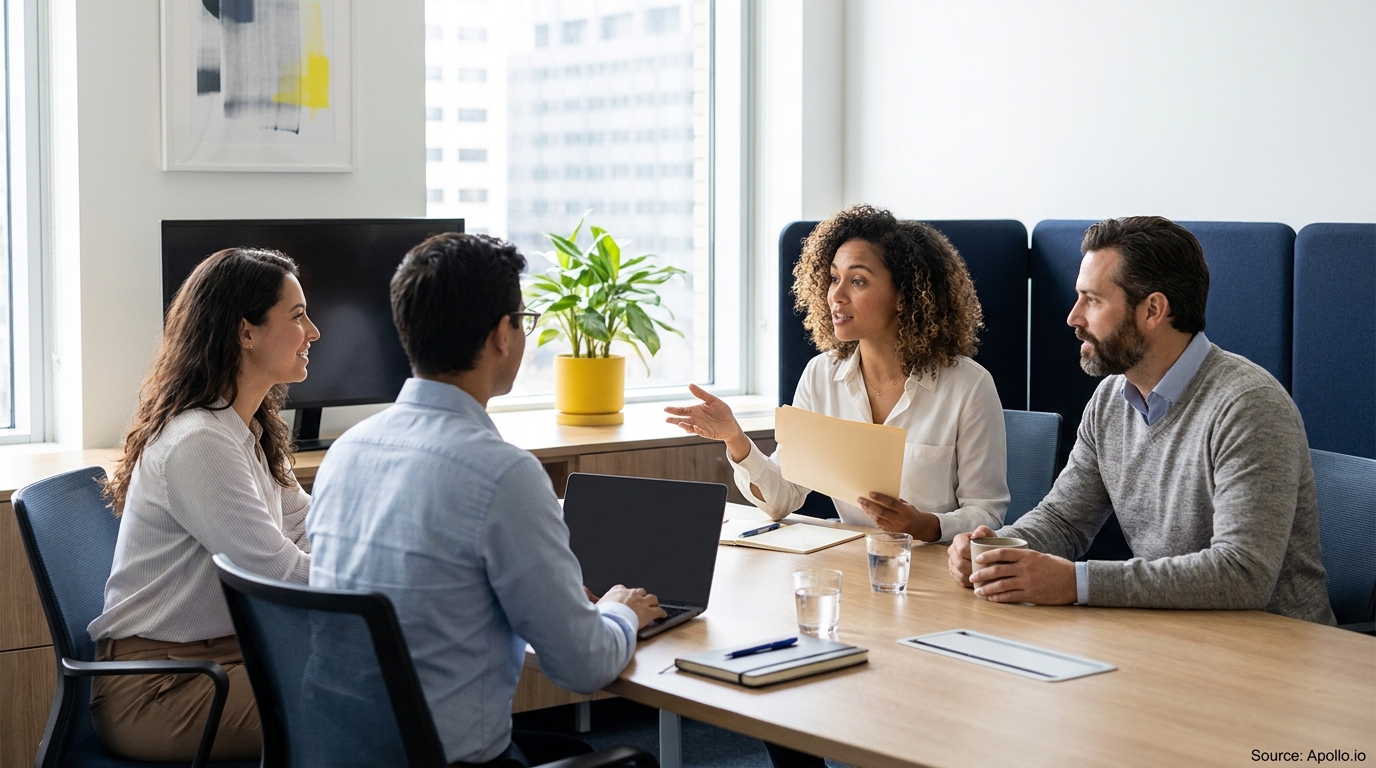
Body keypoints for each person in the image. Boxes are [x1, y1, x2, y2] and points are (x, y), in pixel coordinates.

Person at [306, 232, 667, 767]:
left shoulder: (345, 452)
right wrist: (619, 614)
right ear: (503, 334)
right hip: (447, 759)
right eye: (525, 318)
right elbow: (583, 666)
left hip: (344, 752)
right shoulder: (503, 474)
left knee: (569, 749)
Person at [946, 216, 1334, 625]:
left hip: (1277, 653)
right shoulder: (1111, 399)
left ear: (1153, 310)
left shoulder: (1248, 406)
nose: (1073, 318)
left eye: (1092, 300)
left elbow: (1242, 574)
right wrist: (999, 551)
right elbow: (1063, 520)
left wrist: (1076, 583)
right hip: (1176, 635)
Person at [90, 248, 320, 761]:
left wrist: (374, 554)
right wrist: (387, 573)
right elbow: (278, 576)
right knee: (367, 697)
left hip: (225, 662)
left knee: (381, 675)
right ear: (246, 332)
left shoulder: (244, 427)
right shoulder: (200, 442)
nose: (314, 332)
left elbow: (307, 527)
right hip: (162, 689)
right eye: (298, 315)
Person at [667, 204, 1010, 543]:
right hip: (854, 570)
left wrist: (925, 525)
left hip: (936, 574)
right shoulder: (820, 376)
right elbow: (783, 497)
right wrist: (735, 438)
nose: (836, 296)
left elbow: (987, 514)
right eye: (834, 279)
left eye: (857, 281)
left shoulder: (969, 386)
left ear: (904, 296)